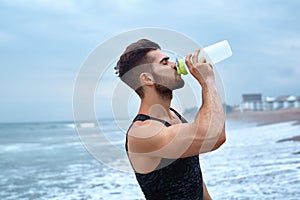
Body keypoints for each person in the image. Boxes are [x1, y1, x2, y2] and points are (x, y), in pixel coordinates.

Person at [115, 39, 226, 200]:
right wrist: (207, 81)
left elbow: (194, 177)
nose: (174, 64)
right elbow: (214, 137)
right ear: (147, 79)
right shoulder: (143, 133)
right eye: (164, 62)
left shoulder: (174, 114)